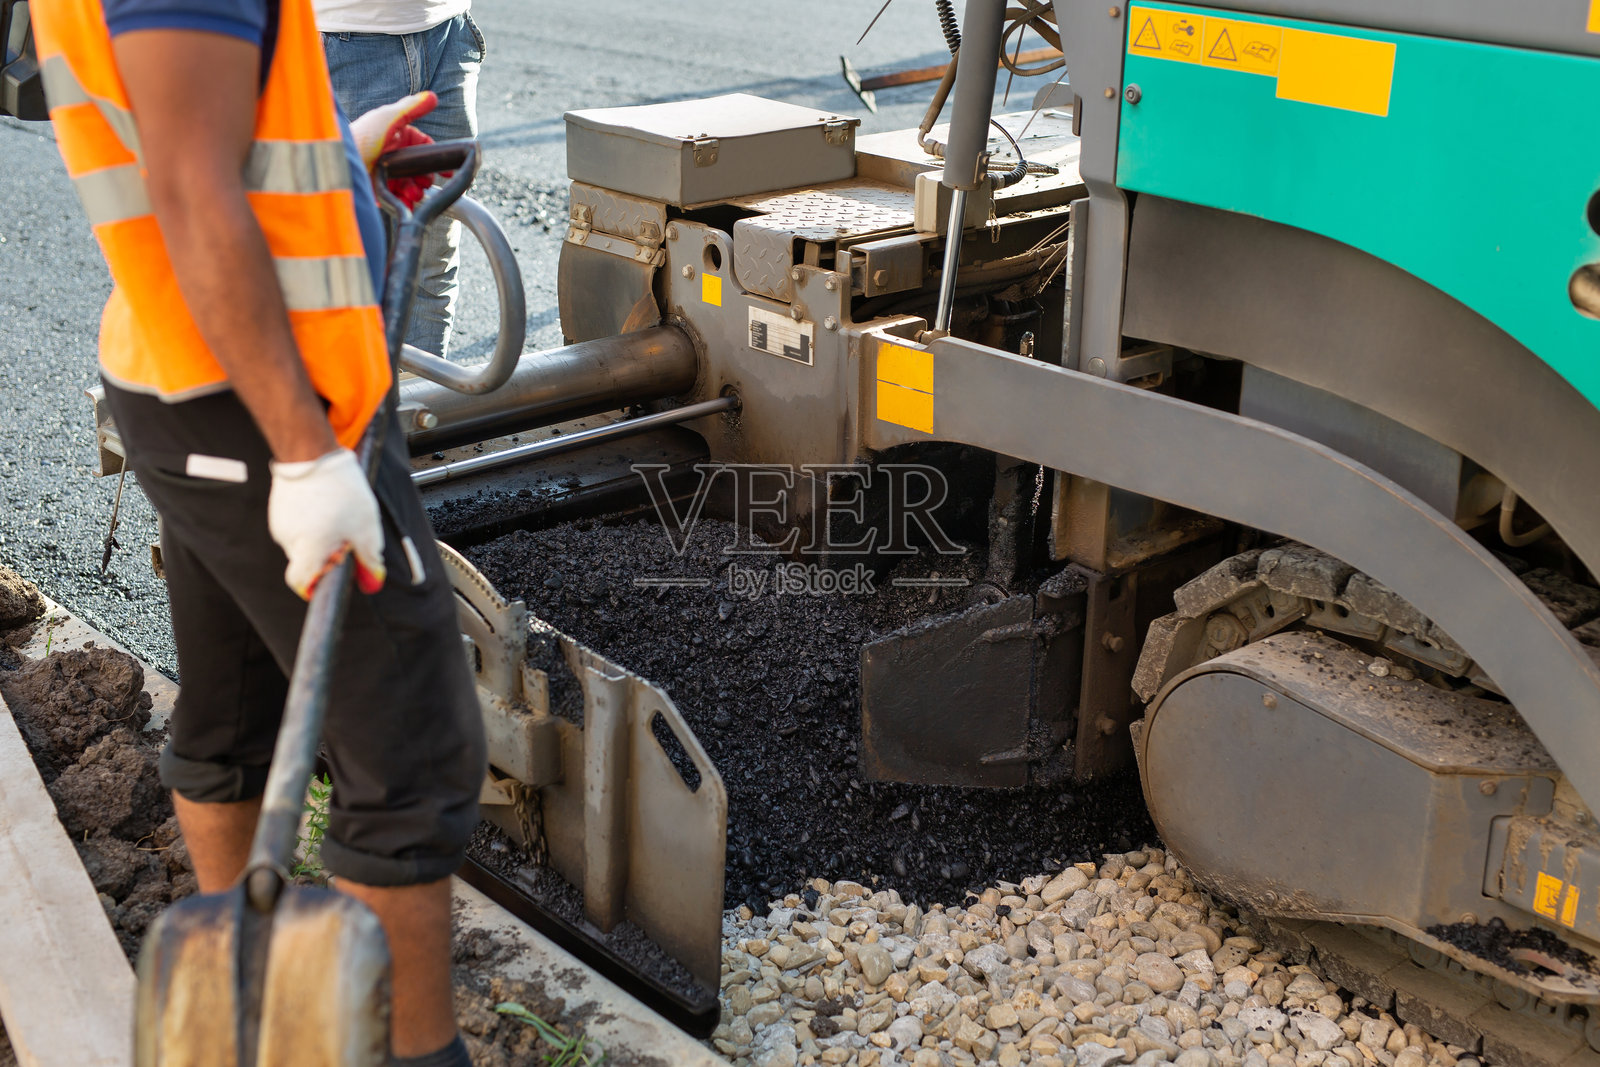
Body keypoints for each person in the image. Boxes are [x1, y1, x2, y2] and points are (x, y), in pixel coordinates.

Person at [31, 1, 486, 1064]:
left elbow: (206, 141)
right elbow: (193, 188)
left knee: (234, 709)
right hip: (261, 407)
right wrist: (304, 453)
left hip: (189, 382)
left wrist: (340, 164)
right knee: (411, 755)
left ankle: (239, 1007)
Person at [317, 0, 485, 357]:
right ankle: (358, 406)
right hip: (344, 38)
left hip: (447, 30)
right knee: (350, 264)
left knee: (431, 258)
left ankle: (417, 404)